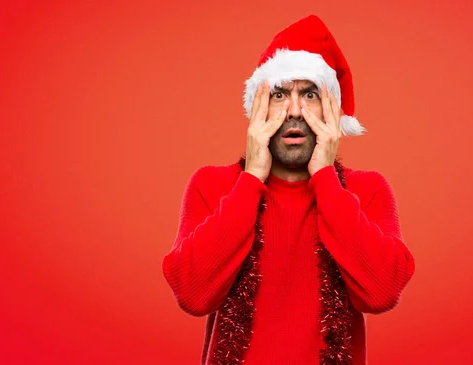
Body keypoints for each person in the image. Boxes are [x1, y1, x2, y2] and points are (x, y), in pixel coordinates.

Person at [162, 14, 415, 365]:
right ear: (258, 108)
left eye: (310, 94)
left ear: (332, 111)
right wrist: (251, 177)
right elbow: (193, 295)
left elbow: (381, 294)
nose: (294, 110)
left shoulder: (366, 190)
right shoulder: (214, 186)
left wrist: (325, 178)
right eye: (279, 93)